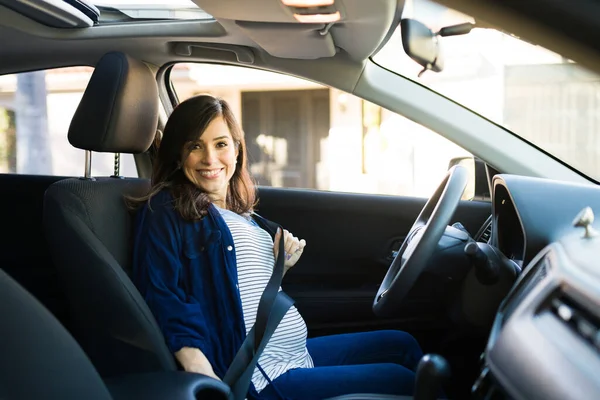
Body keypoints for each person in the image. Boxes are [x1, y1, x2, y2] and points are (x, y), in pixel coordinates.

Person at [130, 94, 424, 400]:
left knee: (401, 344)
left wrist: (278, 267)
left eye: (221, 144)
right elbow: (164, 295)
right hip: (257, 376)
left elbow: (238, 285)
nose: (210, 159)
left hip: (290, 354)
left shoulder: (238, 213)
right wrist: (207, 381)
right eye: (195, 146)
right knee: (404, 380)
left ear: (237, 149)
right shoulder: (166, 209)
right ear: (179, 155)